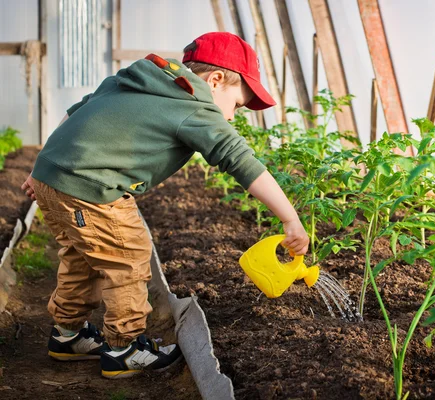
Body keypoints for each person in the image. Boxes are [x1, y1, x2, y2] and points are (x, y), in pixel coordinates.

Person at [20, 32, 310, 379]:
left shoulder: (143, 77)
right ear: (215, 80)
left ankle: (68, 336)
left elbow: (79, 111)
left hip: (54, 177)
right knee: (128, 256)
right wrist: (290, 219)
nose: (232, 117)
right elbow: (240, 160)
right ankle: (123, 348)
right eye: (237, 104)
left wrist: (42, 167)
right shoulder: (194, 105)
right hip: (92, 188)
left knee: (82, 257)